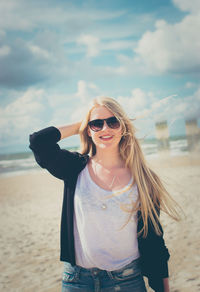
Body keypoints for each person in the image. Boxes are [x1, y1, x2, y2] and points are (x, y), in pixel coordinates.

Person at [29, 96, 180, 292]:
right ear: (88, 129)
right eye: (97, 124)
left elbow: (153, 240)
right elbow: (39, 141)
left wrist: (163, 288)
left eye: (113, 122)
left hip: (127, 280)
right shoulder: (73, 168)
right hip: (77, 281)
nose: (105, 129)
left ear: (123, 127)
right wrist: (82, 125)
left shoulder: (143, 179)